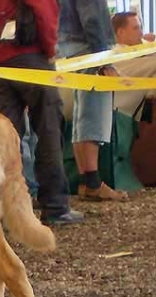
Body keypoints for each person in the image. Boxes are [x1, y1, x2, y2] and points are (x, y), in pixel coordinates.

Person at [0, 0, 84, 225]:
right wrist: (50, 47)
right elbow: (43, 7)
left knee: (3, 140)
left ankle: (5, 211)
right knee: (48, 130)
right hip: (29, 55)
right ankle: (55, 206)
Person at [58, 0, 128, 201]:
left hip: (71, 47)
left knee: (83, 115)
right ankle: (93, 183)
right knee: (94, 115)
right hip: (88, 48)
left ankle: (86, 181)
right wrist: (104, 60)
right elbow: (92, 18)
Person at [111, 11, 156, 116]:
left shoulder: (137, 49)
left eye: (140, 28)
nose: (141, 33)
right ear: (121, 32)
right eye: (136, 28)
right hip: (126, 115)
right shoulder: (117, 57)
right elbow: (149, 65)